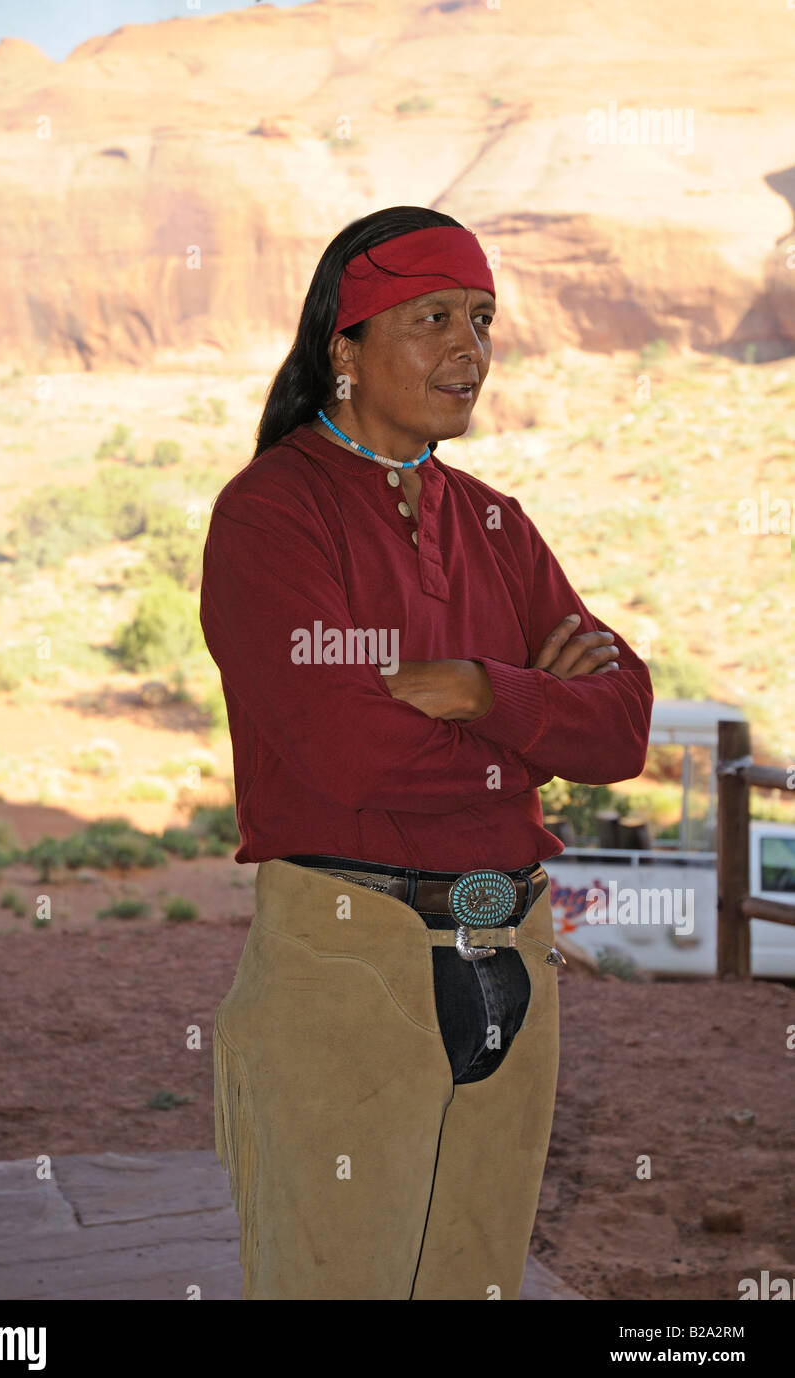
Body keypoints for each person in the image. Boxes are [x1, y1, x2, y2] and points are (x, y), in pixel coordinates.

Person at [199, 205, 653, 1301]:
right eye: (435, 317)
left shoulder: (497, 524)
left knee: (476, 1283)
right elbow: (347, 752)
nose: (471, 348)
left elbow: (625, 723)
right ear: (342, 349)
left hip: (516, 950)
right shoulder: (273, 517)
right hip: (351, 961)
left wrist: (481, 690)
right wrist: (537, 723)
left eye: (485, 320)